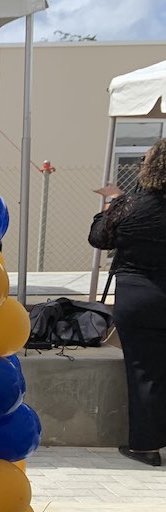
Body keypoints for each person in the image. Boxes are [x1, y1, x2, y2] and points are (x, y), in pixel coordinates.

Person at [88, 138, 166, 467]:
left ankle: (145, 446)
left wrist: (112, 204)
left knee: (144, 372)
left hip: (139, 296)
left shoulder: (131, 205)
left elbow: (99, 237)